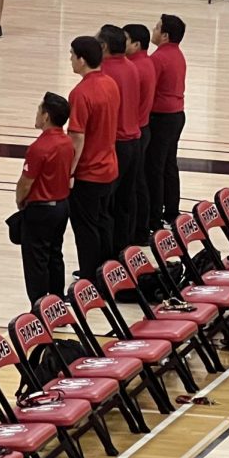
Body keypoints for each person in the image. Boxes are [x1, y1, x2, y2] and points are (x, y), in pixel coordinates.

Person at [67, 36, 120, 280]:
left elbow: (77, 137)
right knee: (104, 221)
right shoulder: (110, 83)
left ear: (82, 59)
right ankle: (106, 272)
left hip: (89, 171)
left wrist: (68, 172)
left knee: (85, 227)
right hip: (110, 166)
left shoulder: (80, 93)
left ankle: (90, 278)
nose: (70, 60)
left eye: (72, 55)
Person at [15, 92, 74, 304]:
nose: (37, 114)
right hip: (61, 206)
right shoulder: (67, 142)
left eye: (39, 110)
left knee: (35, 261)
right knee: (54, 254)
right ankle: (57, 300)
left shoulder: (39, 148)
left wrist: (20, 201)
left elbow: (26, 183)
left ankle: (39, 305)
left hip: (40, 209)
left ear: (46, 116)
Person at [97, 25, 142, 249]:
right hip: (134, 139)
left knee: (106, 206)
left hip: (117, 143)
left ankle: (106, 258)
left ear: (104, 46)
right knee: (126, 201)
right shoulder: (131, 66)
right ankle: (124, 253)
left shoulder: (105, 72)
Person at [146, 14, 187, 231]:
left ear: (165, 35)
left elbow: (148, 89)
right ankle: (171, 211)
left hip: (161, 118)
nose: (153, 30)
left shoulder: (158, 58)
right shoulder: (178, 55)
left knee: (155, 168)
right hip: (177, 115)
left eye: (156, 27)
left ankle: (154, 217)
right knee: (169, 165)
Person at [123, 23, 156, 240]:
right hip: (143, 127)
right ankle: (142, 228)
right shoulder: (146, 63)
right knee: (139, 182)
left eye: (125, 39)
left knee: (135, 185)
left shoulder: (135, 68)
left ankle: (139, 230)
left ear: (136, 44)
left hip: (136, 130)